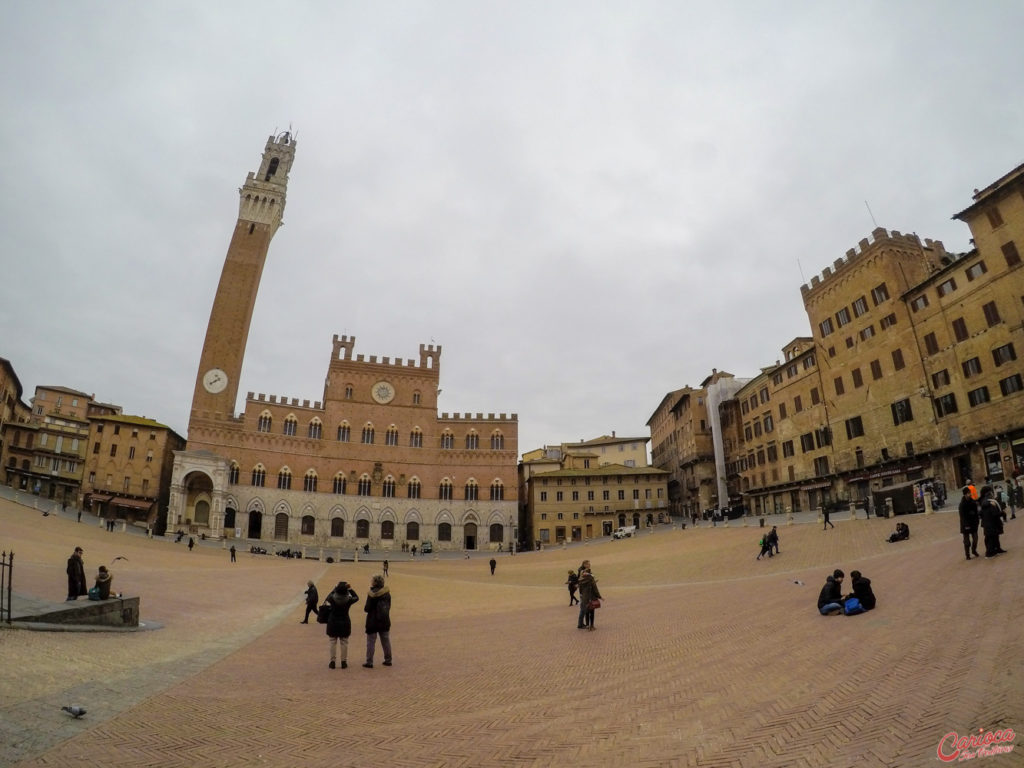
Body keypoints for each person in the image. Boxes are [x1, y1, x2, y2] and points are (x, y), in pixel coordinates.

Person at [325, 581, 359, 669]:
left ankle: (332, 662)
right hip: (344, 621)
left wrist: (334, 588)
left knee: (333, 642)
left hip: (333, 621)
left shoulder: (332, 598)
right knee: (344, 642)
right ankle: (344, 662)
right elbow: (357, 597)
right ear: (346, 590)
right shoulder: (349, 600)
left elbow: (327, 598)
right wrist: (350, 589)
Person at [363, 574, 392, 668]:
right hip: (384, 620)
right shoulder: (387, 593)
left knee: (371, 641)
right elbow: (388, 606)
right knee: (386, 641)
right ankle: (388, 660)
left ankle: (369, 661)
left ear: (374, 582)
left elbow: (367, 608)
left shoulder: (371, 594)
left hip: (372, 620)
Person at [979, 485, 1006, 558]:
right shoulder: (988, 502)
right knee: (990, 538)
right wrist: (1002, 513)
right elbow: (994, 513)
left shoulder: (986, 501)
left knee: (994, 537)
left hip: (989, 523)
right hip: (990, 523)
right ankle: (990, 552)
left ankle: (997, 549)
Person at [958, 486, 980, 560]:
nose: (970, 494)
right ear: (965, 494)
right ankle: (967, 554)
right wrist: (966, 525)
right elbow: (962, 516)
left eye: (970, 493)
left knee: (975, 538)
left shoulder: (973, 502)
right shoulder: (962, 505)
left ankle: (974, 550)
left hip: (973, 523)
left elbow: (976, 512)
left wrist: (977, 520)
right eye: (968, 493)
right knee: (967, 541)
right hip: (966, 525)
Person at [577, 567, 603, 631]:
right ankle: (592, 626)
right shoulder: (591, 579)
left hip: (584, 598)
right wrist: (600, 597)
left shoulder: (581, 580)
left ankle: (587, 626)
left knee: (586, 612)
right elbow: (595, 589)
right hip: (591, 597)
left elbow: (580, 590)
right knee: (592, 612)